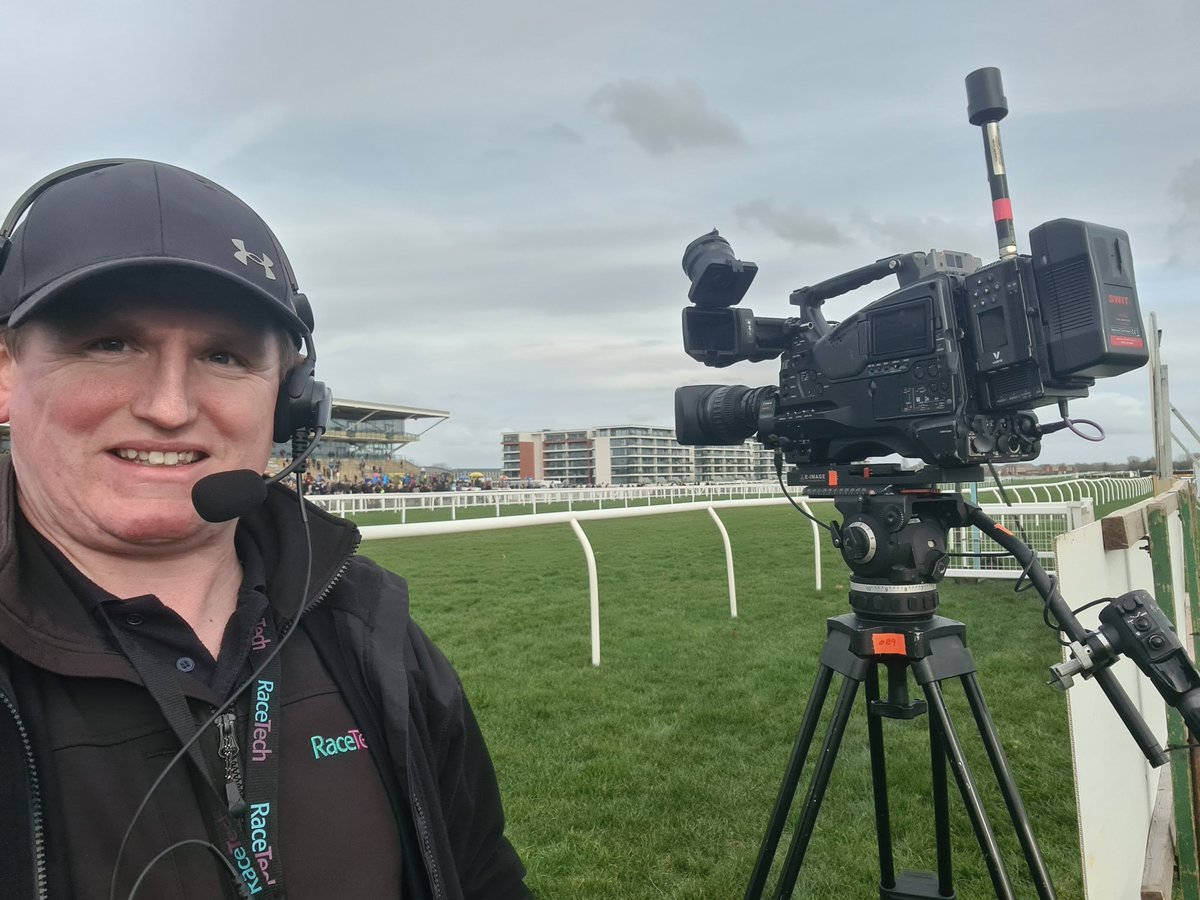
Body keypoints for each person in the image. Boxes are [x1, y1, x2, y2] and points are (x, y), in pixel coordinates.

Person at [0, 159, 532, 900]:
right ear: (5, 371)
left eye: (224, 355)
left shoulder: (372, 630)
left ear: (288, 403)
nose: (168, 405)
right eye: (109, 343)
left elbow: (483, 879)